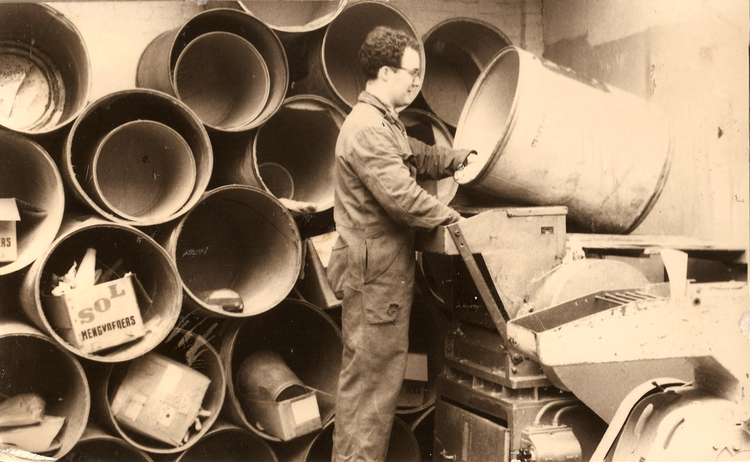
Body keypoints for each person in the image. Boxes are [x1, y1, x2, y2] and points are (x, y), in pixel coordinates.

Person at [327, 25, 478, 462]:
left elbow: (419, 157)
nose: (417, 83)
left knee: (372, 387)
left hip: (379, 274)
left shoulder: (384, 122)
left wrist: (459, 159)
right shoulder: (368, 129)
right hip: (375, 281)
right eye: (412, 73)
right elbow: (404, 200)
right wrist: (460, 222)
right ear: (386, 72)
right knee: (371, 393)